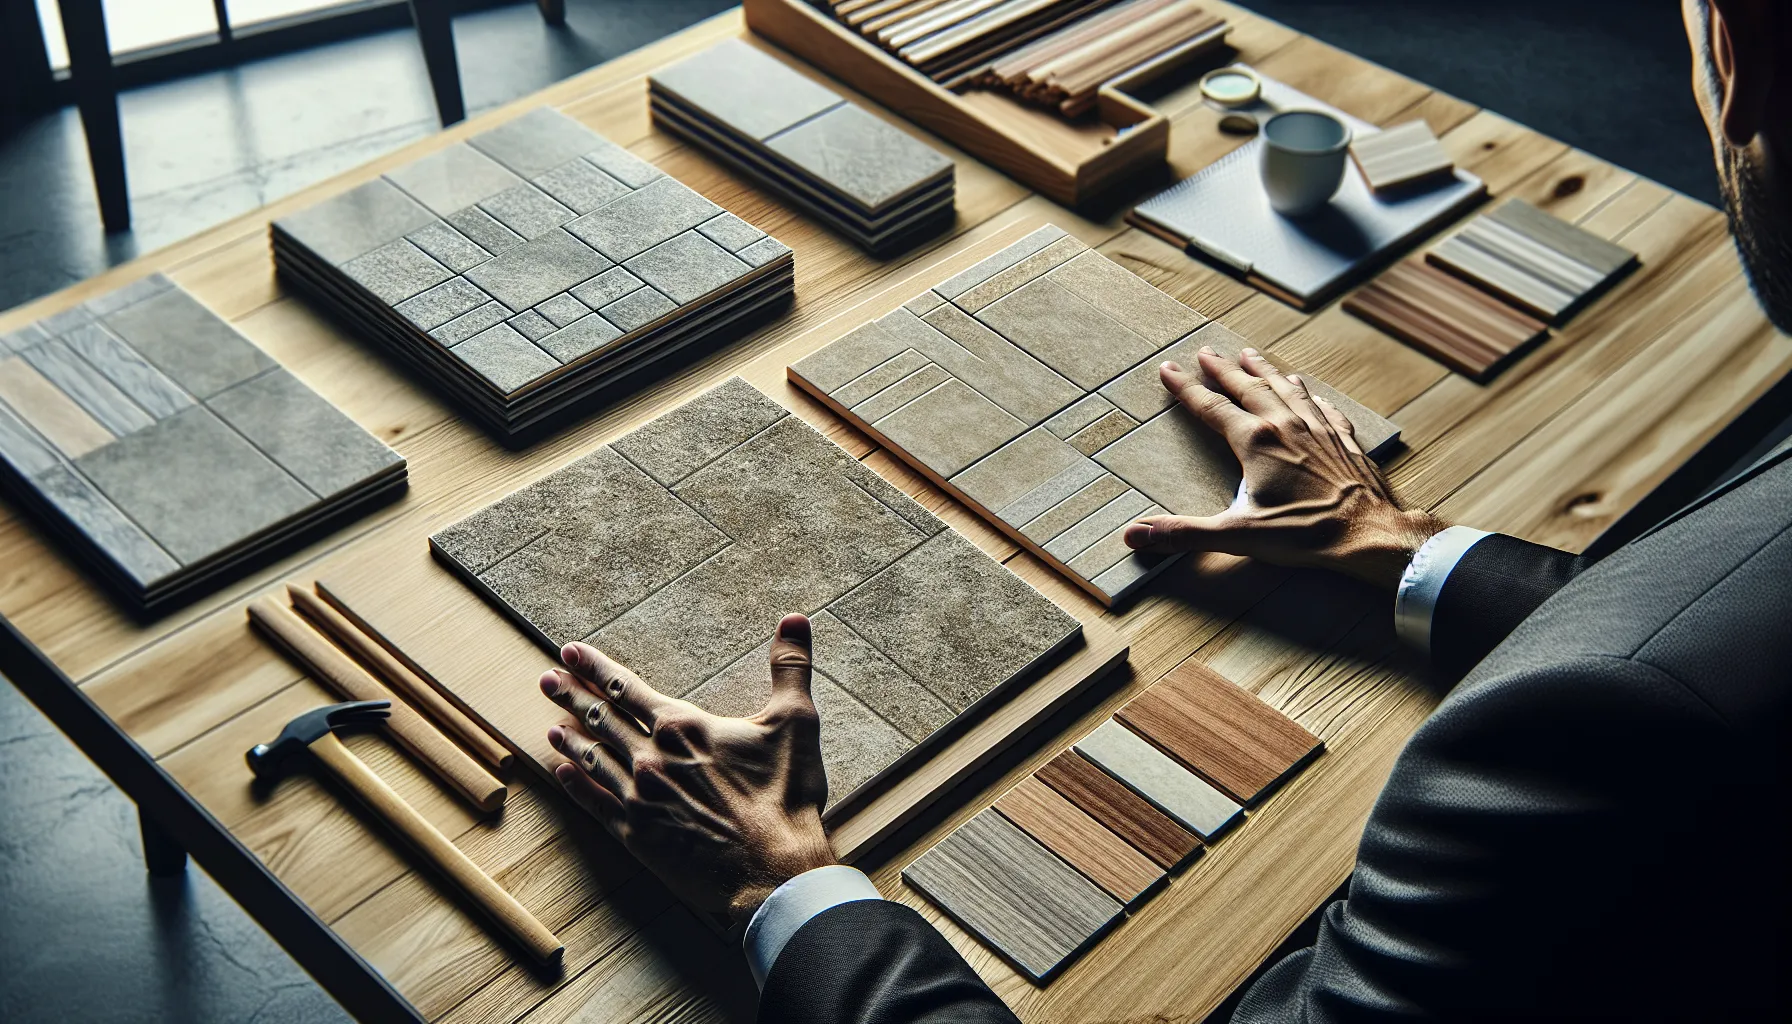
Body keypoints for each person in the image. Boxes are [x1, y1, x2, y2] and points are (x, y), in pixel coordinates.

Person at [536, 1, 1790, 1018]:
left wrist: (792, 890)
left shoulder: (1575, 738)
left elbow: (1656, 685)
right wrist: (1415, 552)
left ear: (1732, 59)